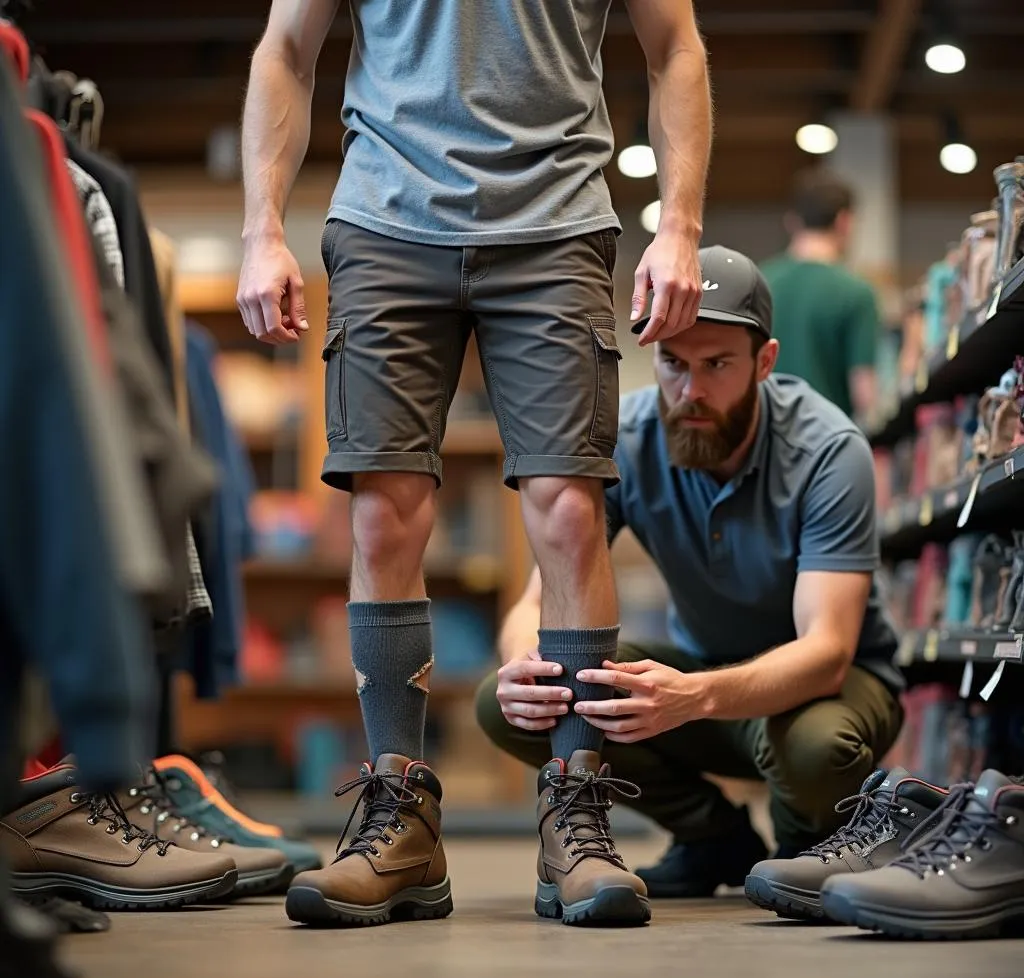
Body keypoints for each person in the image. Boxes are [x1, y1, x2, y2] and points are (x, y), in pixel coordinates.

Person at [235, 0, 711, 927]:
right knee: (381, 510)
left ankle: (574, 808)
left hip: (557, 223)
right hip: (383, 218)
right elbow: (285, 50)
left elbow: (676, 46)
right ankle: (400, 819)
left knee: (571, 512)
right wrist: (260, 226)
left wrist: (681, 224)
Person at [476, 245, 905, 899]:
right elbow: (539, 598)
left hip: (828, 689)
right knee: (509, 706)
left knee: (816, 749)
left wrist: (695, 696)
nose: (691, 391)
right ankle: (714, 839)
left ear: (765, 362)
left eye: (717, 365)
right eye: (673, 364)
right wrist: (522, 664)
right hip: (697, 679)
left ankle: (805, 844)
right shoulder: (627, 438)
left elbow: (827, 653)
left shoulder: (829, 451)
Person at [760, 168, 881, 424]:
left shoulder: (759, 282)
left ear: (792, 221)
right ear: (844, 222)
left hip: (763, 435)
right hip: (827, 441)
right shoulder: (857, 292)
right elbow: (864, 392)